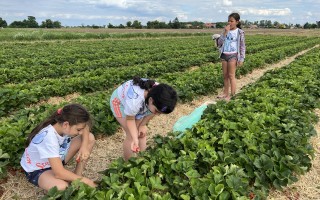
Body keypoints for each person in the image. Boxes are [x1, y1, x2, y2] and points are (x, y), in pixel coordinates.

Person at [20, 103, 96, 191]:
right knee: (61, 187)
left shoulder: (63, 125)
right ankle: (78, 180)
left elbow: (85, 127)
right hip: (39, 169)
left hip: (57, 158)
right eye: (78, 130)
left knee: (89, 138)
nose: (81, 132)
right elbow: (59, 173)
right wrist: (86, 181)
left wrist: (84, 146)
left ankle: (77, 178)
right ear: (66, 125)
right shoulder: (49, 137)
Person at [110, 76, 177, 160]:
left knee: (141, 132)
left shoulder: (159, 94)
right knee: (131, 136)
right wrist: (135, 139)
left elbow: (152, 111)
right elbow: (130, 120)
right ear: (151, 100)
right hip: (119, 102)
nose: (157, 114)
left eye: (160, 113)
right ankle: (128, 164)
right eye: (157, 111)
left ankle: (143, 160)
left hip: (142, 103)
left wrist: (143, 125)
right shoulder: (135, 101)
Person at [216, 12, 246, 101]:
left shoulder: (240, 32)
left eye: (232, 21)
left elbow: (242, 46)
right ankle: (225, 93)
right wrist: (225, 32)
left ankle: (232, 95)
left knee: (231, 75)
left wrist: (241, 58)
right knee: (225, 75)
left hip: (233, 55)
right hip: (224, 54)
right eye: (228, 21)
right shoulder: (225, 31)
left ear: (237, 22)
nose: (229, 23)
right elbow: (219, 43)